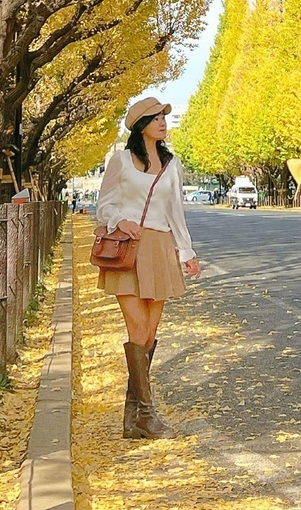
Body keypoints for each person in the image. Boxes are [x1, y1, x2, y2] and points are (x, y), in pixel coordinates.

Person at [95, 96, 201, 441]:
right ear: (140, 125)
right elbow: (104, 205)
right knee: (138, 331)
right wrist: (119, 220)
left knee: (150, 336)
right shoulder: (121, 161)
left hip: (160, 249)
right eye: (155, 118)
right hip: (127, 250)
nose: (162, 122)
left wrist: (186, 252)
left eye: (164, 117)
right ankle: (147, 415)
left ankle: (133, 418)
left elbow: (176, 212)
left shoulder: (172, 163)